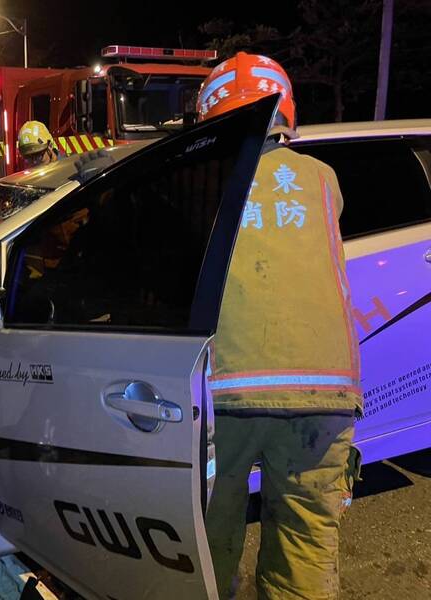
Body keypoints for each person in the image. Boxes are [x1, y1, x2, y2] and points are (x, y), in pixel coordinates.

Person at [197, 53, 362, 599]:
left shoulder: (201, 182)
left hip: (223, 398)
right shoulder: (322, 179)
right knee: (306, 548)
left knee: (208, 541)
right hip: (325, 394)